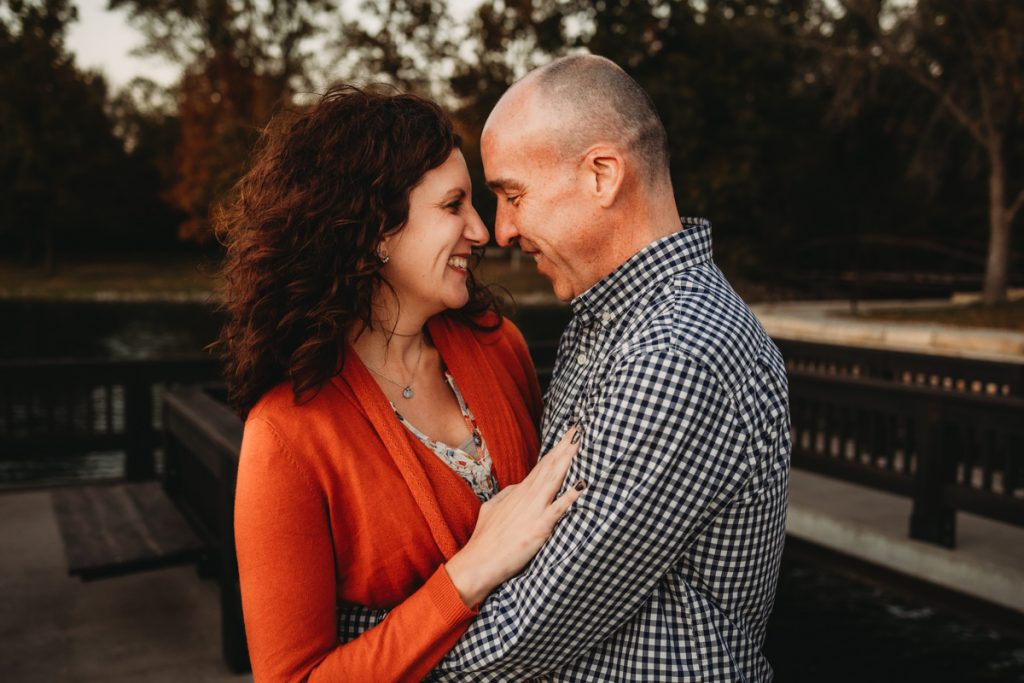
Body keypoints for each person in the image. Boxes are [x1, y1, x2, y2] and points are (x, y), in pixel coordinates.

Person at [417, 54, 791, 680]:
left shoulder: (676, 354)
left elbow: (526, 634)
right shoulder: (612, 320)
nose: (501, 230)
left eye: (513, 194)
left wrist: (348, 652)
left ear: (601, 175)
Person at [219, 85, 585, 682]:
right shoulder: (286, 435)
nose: (482, 231)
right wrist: (470, 572)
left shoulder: (500, 346)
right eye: (453, 206)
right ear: (375, 231)